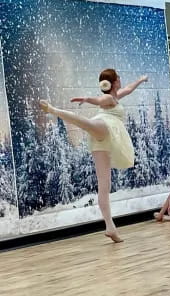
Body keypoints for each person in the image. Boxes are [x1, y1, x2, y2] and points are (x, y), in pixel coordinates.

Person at [40, 69, 147, 242]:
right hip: (106, 128)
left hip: (101, 140)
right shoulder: (109, 98)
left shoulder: (116, 96)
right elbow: (100, 99)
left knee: (104, 184)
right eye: (118, 78)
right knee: (85, 123)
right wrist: (87, 99)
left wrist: (141, 80)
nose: (121, 80)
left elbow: (128, 89)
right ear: (113, 82)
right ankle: (53, 109)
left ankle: (110, 227)